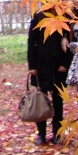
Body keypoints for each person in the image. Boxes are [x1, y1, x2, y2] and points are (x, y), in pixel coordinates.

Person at [26, 8, 69, 145]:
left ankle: (57, 133)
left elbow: (68, 41)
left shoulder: (63, 15)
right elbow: (31, 41)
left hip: (58, 66)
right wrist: (32, 65)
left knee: (58, 100)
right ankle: (42, 134)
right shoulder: (38, 15)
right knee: (40, 100)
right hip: (41, 65)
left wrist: (65, 63)